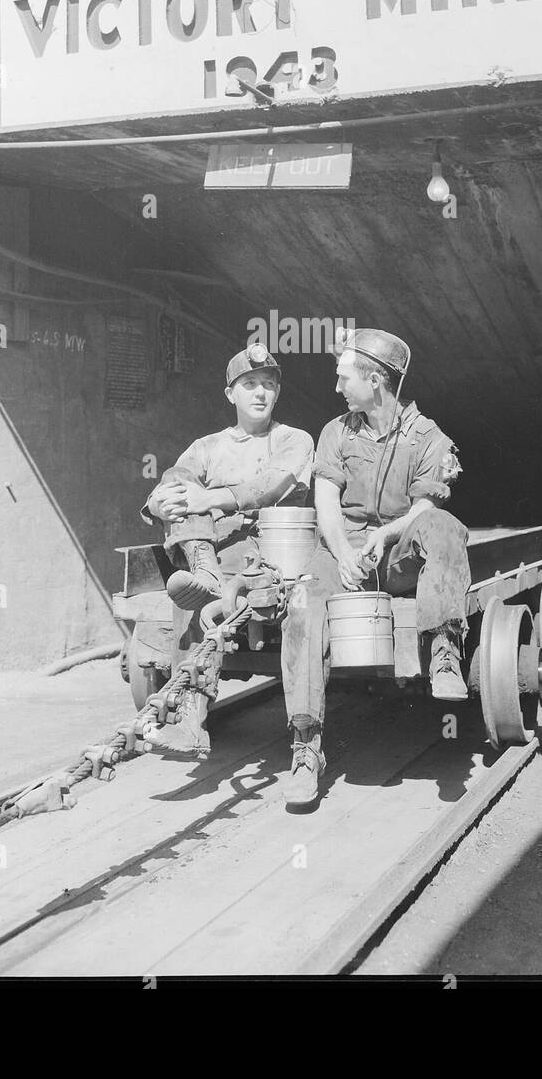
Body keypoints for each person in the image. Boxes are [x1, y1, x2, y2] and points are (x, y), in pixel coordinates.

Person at [278, 328, 469, 808]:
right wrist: (343, 551)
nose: (337, 386)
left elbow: (425, 508)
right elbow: (325, 502)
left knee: (445, 526)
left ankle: (444, 651)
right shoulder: (336, 432)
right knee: (301, 606)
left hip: (397, 551)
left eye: (344, 377)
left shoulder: (428, 438)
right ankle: (306, 748)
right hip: (342, 549)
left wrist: (385, 536)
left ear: (376, 380)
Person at [140, 342, 314, 757]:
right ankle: (189, 723)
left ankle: (208, 579)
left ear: (277, 392)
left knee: (198, 586)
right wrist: (158, 503)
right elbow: (174, 482)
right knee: (190, 582)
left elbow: (271, 486)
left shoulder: (294, 439)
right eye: (249, 384)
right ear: (230, 394)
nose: (260, 393)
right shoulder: (207, 446)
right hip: (211, 549)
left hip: (270, 548)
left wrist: (207, 499)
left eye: (268, 384)